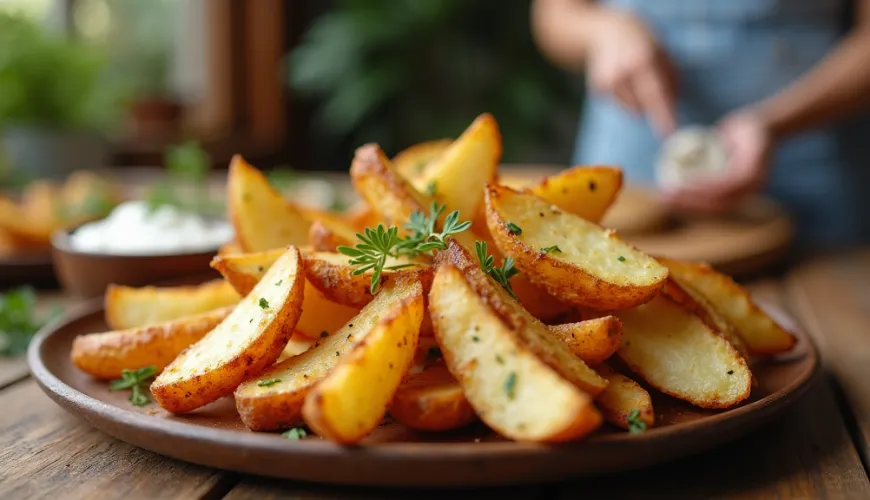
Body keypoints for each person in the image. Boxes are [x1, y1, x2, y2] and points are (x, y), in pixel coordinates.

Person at [531, 0, 870, 249]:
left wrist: (772, 124)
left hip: (813, 175)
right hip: (630, 169)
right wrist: (606, 29)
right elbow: (554, 16)